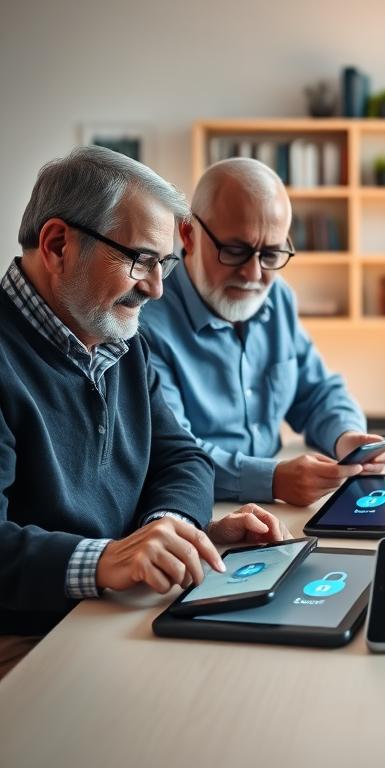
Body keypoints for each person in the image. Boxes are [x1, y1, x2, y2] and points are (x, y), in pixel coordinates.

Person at [0, 147, 289, 678]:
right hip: (28, 633)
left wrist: (171, 529)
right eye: (141, 260)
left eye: (165, 264)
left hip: (111, 611)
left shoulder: (121, 343)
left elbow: (183, 458)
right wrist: (109, 559)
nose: (156, 288)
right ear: (58, 243)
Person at [140, 159, 385, 507]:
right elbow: (173, 451)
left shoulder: (278, 296)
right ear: (188, 234)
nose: (254, 274)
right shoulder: (145, 324)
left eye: (271, 254)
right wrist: (272, 480)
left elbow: (316, 392)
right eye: (235, 250)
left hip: (279, 510)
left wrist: (347, 438)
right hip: (198, 512)